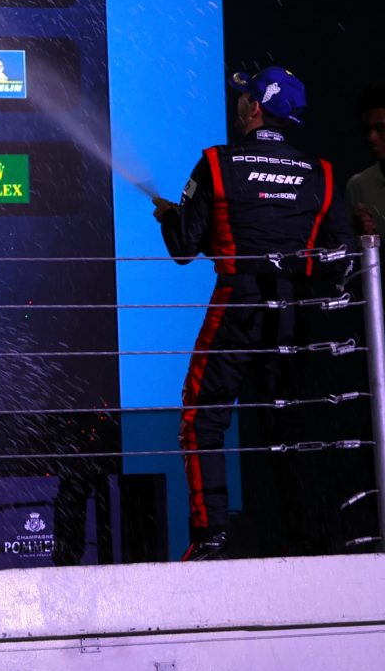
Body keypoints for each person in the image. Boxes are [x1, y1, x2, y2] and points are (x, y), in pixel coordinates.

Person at [155, 67, 354, 559]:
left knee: (202, 416)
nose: (239, 102)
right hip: (297, 312)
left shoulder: (216, 162)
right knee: (291, 423)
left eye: (244, 96)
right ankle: (309, 537)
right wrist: (290, 262)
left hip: (237, 304)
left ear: (256, 108)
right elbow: (341, 256)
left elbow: (183, 248)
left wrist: (170, 217)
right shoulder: (323, 174)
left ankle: (211, 539)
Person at [347, 82, 385, 235]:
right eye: (367, 129)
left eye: (380, 128)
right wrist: (364, 237)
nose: (371, 137)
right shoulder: (358, 186)